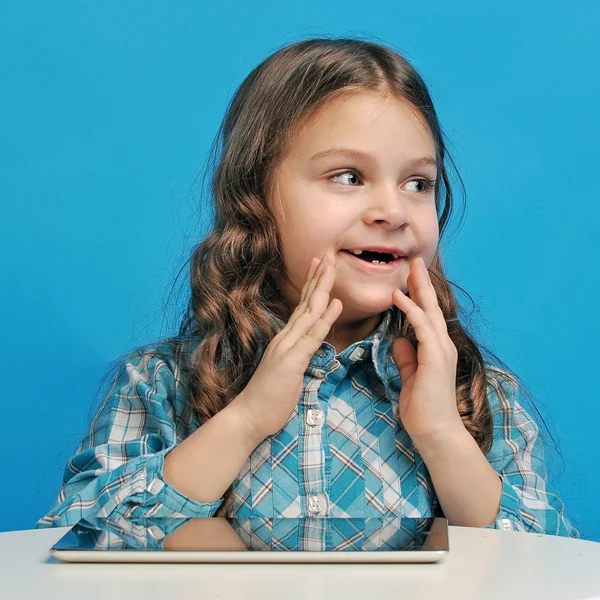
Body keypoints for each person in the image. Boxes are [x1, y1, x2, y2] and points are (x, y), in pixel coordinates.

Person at [37, 36, 579, 537]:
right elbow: (81, 536)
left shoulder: (478, 394)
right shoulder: (161, 384)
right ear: (256, 197)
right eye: (349, 176)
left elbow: (549, 563)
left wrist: (442, 435)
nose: (393, 210)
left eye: (419, 183)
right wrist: (246, 420)